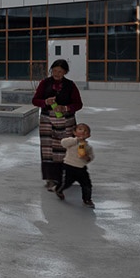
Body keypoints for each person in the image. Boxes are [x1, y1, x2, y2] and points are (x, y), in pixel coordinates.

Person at [32, 59, 83, 190]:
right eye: (54, 71)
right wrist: (45, 102)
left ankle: (65, 177)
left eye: (60, 71)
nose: (56, 73)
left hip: (66, 121)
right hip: (47, 120)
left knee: (65, 148)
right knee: (48, 149)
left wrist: (65, 108)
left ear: (65, 72)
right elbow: (35, 100)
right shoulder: (45, 83)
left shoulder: (70, 85)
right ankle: (50, 179)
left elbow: (78, 104)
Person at [57, 123, 95, 208]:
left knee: (87, 184)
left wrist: (87, 157)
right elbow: (63, 143)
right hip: (68, 166)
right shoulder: (72, 141)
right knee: (66, 183)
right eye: (80, 129)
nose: (83, 131)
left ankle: (87, 199)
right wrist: (76, 140)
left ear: (89, 135)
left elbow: (91, 156)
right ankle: (58, 190)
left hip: (81, 168)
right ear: (75, 132)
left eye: (86, 131)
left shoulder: (88, 147)